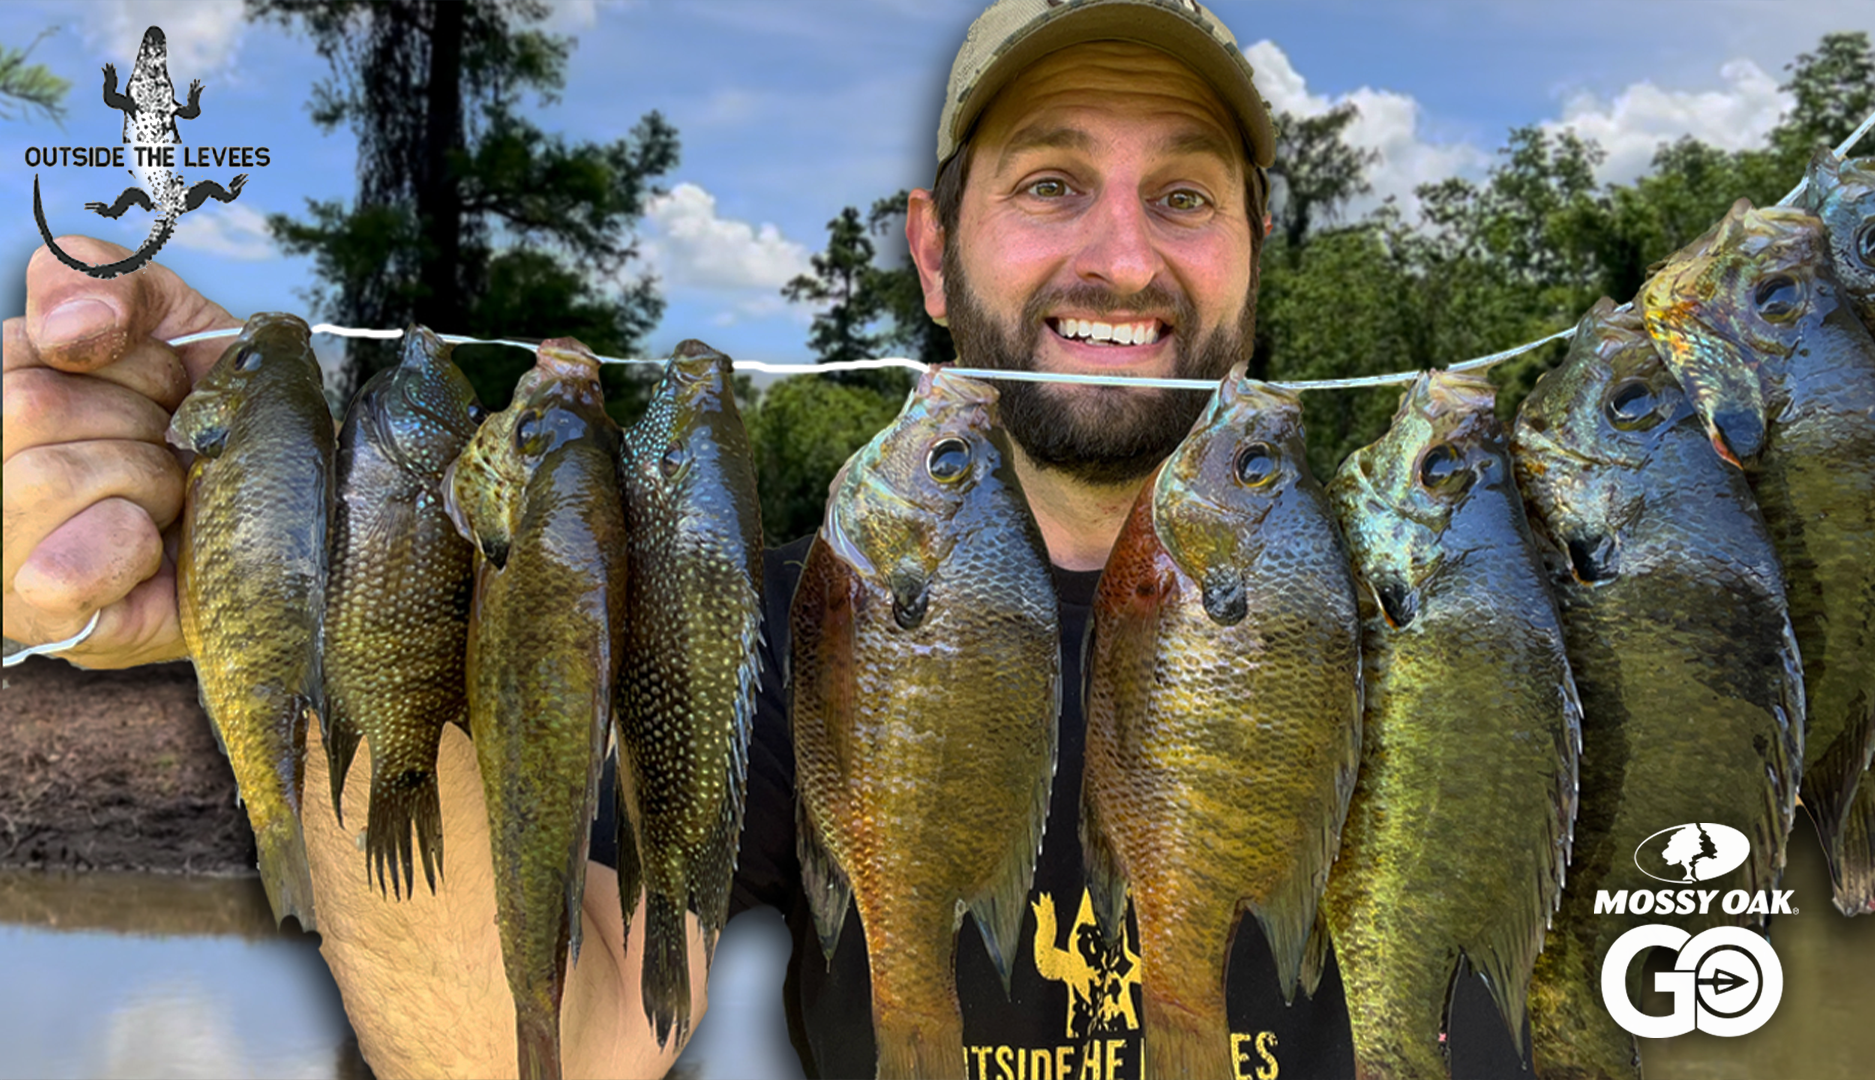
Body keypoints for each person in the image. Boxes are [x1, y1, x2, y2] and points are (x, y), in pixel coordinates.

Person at [3, 1, 1532, 1076]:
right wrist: (304, 567)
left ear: (1260, 251)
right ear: (935, 255)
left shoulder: (1478, 609)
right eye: (1052, 182)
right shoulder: (796, 617)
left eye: (1185, 194)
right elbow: (536, 1059)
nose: (1121, 257)